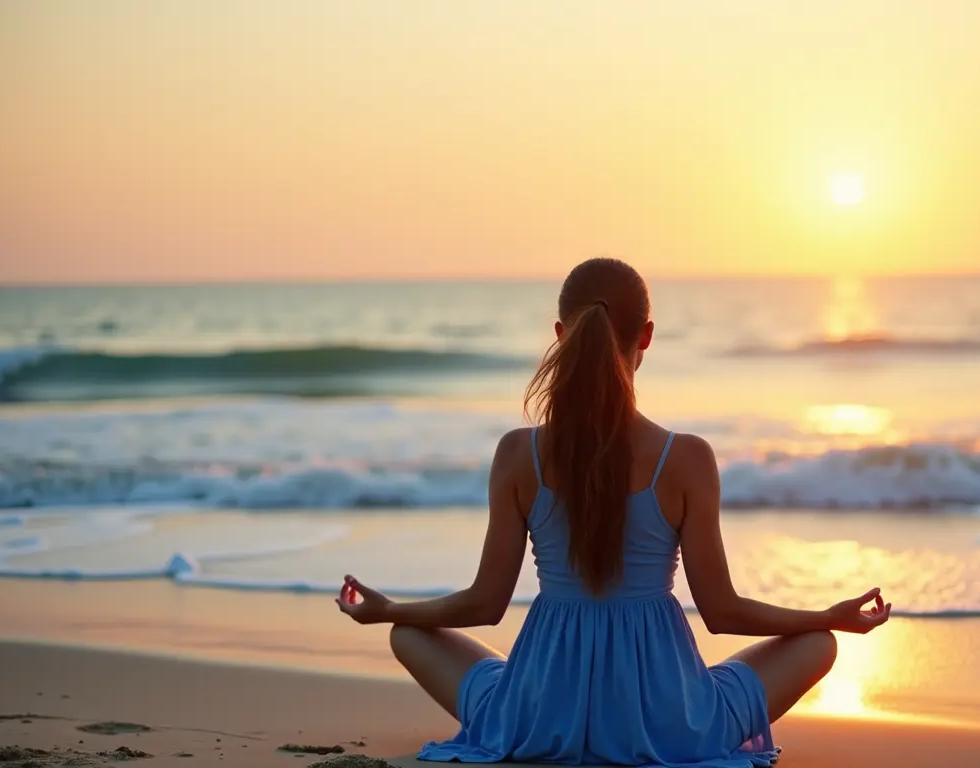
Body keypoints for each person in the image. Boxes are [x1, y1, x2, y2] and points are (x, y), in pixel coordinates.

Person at [336, 257, 892, 766]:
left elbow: (485, 605)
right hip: (668, 723)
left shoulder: (517, 453)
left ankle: (521, 702)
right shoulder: (687, 458)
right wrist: (828, 617)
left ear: (560, 336)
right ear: (646, 336)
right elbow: (723, 614)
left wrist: (388, 609)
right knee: (820, 645)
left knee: (406, 634)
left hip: (538, 716)